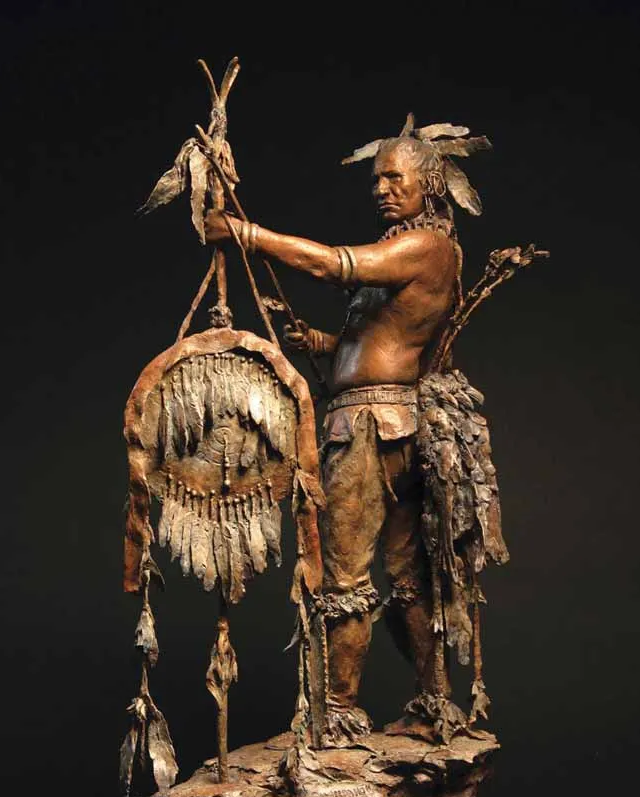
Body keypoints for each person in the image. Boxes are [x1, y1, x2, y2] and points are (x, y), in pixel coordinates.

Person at [205, 133, 496, 743]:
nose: (382, 190)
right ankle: (432, 701)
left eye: (395, 178)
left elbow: (335, 265)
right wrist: (317, 343)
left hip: (370, 427)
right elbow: (379, 343)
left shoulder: (428, 245)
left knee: (345, 571)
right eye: (376, 180)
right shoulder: (412, 249)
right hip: (380, 419)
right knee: (406, 570)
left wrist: (246, 234)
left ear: (429, 184)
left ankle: (338, 711)